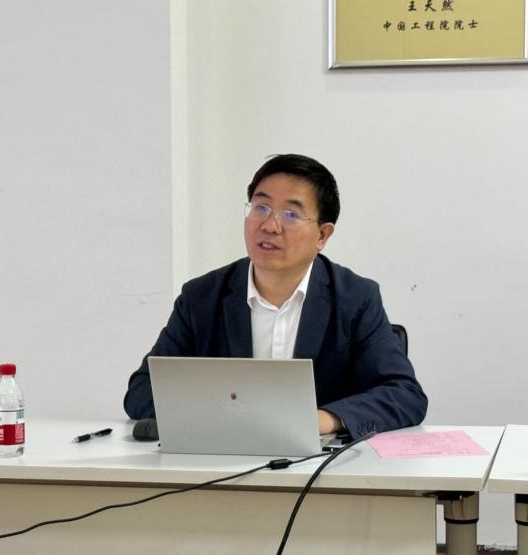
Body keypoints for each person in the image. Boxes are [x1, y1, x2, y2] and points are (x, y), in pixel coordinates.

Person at [123, 154, 427, 438]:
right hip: (221, 461)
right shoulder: (202, 297)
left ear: (322, 235)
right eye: (261, 207)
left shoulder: (355, 298)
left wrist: (321, 420)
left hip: (320, 467)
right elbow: (142, 391)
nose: (270, 226)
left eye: (291, 214)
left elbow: (404, 394)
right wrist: (223, 417)